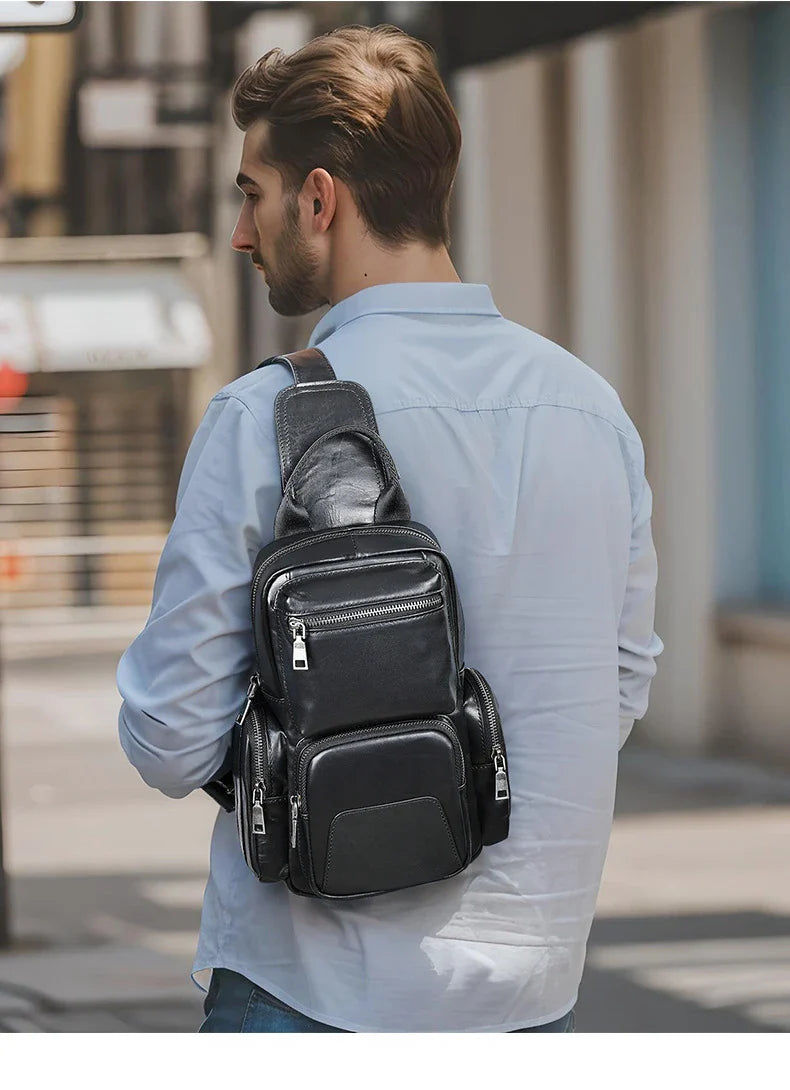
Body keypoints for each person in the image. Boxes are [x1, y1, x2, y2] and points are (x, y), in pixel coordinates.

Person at [116, 23, 663, 1034]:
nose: (242, 232)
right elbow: (617, 683)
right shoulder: (590, 409)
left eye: (251, 192)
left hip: (313, 987)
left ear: (319, 198)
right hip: (530, 995)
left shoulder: (263, 417)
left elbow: (168, 737)